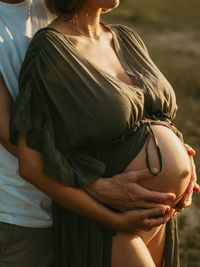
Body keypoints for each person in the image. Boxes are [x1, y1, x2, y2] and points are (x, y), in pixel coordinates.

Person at [8, 0, 200, 266]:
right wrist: (111, 218)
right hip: (109, 218)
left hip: (159, 212)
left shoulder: (126, 37)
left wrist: (185, 162)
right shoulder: (51, 49)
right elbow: (31, 164)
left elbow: (157, 117)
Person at [0, 0, 54, 266]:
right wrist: (98, 185)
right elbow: (9, 135)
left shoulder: (55, 6)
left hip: (67, 206)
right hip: (16, 213)